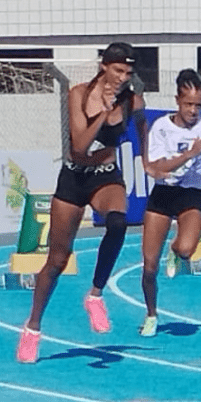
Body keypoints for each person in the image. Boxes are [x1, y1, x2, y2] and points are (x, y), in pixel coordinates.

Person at [17, 43, 147, 363]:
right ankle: (33, 327)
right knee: (57, 262)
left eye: (128, 73)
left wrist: (148, 159)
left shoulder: (132, 100)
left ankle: (96, 294)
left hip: (106, 177)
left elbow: (143, 130)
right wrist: (104, 111)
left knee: (118, 222)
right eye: (118, 70)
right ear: (104, 66)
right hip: (74, 178)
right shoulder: (78, 93)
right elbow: (79, 146)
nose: (122, 77)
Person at [138, 69, 201, 337]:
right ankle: (152, 314)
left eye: (198, 105)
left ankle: (175, 249)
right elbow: (157, 165)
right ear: (177, 101)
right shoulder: (162, 128)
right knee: (149, 266)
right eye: (188, 104)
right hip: (164, 194)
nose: (193, 111)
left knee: (187, 250)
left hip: (192, 194)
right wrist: (190, 153)